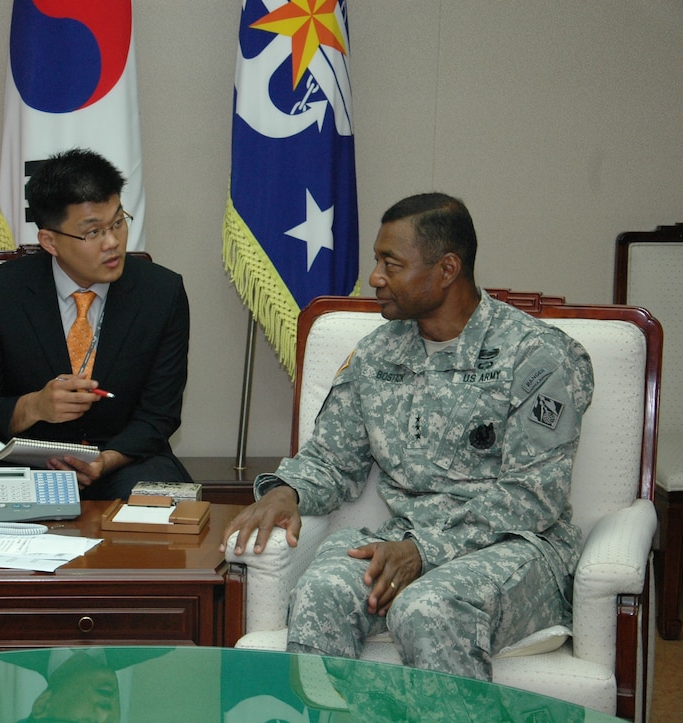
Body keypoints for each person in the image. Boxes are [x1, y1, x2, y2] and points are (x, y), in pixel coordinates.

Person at [221, 193, 593, 681]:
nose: (375, 277)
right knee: (322, 591)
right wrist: (286, 491)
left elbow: (531, 497)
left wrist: (424, 549)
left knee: (428, 608)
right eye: (377, 261)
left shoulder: (539, 358)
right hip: (402, 541)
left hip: (519, 548)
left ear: (447, 269)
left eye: (390, 263)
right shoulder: (378, 354)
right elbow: (333, 461)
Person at [0, 148, 191, 500]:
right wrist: (34, 406)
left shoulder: (161, 293)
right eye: (93, 233)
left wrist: (104, 461)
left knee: (161, 512)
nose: (113, 243)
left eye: (118, 222)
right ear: (49, 241)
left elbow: (160, 416)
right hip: (24, 461)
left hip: (121, 461)